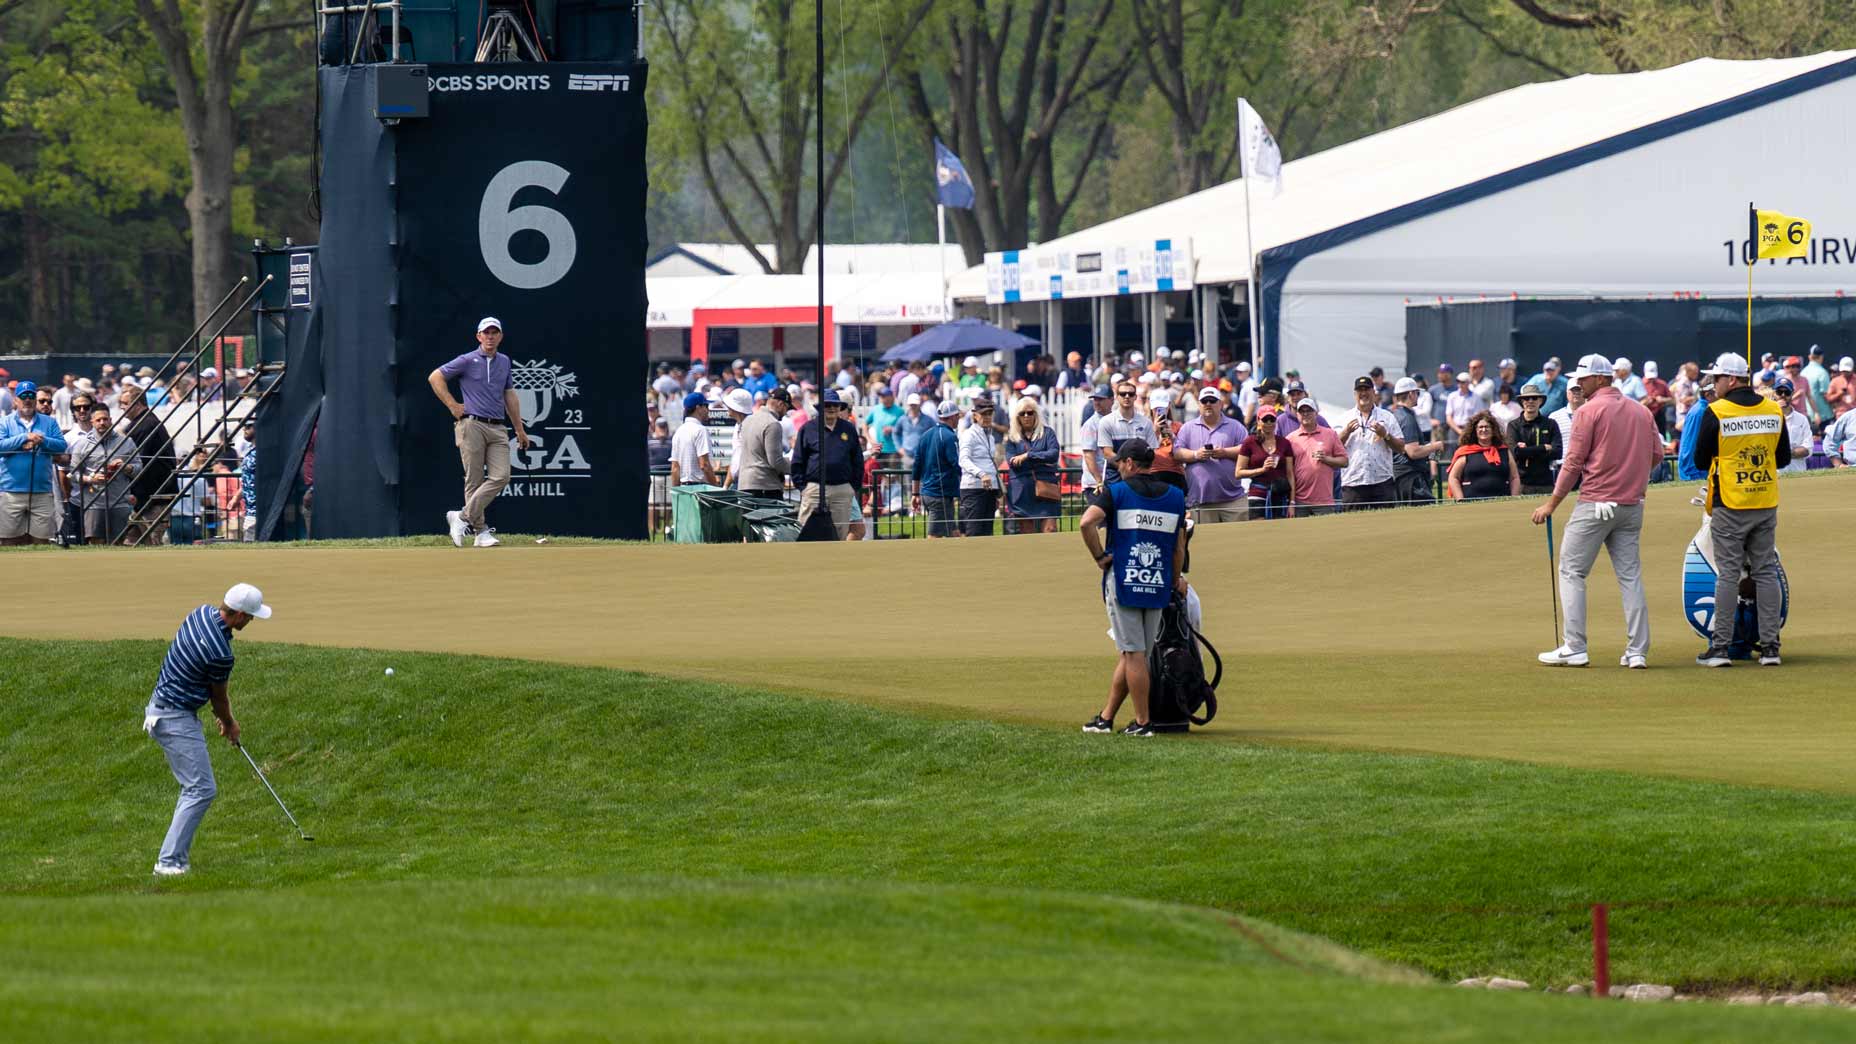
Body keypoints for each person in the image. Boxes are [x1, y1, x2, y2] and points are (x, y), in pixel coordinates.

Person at [1531, 353, 1664, 669]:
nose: (1579, 384)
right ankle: (1637, 652)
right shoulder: (1641, 411)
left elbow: (1574, 463)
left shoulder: (1587, 412)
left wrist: (1551, 504)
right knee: (1630, 576)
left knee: (1572, 570)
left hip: (1595, 503)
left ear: (1602, 378)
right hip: (1632, 505)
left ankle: (1575, 647)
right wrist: (1631, 476)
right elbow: (1656, 455)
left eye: (1584, 379)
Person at [144, 583, 272, 875]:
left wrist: (216, 710)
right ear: (239, 615)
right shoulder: (220, 653)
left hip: (164, 706)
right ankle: (169, 862)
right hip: (173, 718)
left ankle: (173, 858)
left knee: (196, 788)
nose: (251, 621)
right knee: (201, 789)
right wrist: (229, 723)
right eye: (250, 617)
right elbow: (219, 697)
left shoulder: (199, 613)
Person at [1078, 439, 1188, 738]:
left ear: (1129, 463)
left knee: (1133, 653)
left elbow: (1086, 523)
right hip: (1157, 582)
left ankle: (1143, 722)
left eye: (1120, 464)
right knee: (1133, 654)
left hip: (1125, 581)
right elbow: (1179, 547)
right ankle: (1106, 717)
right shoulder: (1176, 496)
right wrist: (1173, 579)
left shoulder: (1117, 492)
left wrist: (1100, 557)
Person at [1691, 352, 1794, 667]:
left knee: (1728, 575)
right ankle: (1771, 649)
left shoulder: (1717, 411)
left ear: (1731, 380)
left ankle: (1721, 648)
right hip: (1764, 500)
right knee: (1765, 572)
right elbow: (1784, 457)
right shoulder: (1773, 409)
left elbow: (1699, 460)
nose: (1713, 384)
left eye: (1717, 378)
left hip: (1730, 503)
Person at [428, 317, 530, 549]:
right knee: (473, 480)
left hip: (498, 427)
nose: (490, 336)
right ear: (479, 336)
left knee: (501, 476)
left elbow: (509, 395)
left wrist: (520, 429)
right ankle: (481, 532)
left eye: (495, 333)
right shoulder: (467, 360)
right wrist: (453, 405)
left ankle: (461, 517)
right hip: (471, 425)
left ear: (500, 336)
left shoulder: (504, 362)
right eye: (486, 333)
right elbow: (435, 377)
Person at [791, 388, 866, 540]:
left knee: (839, 534)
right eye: (827, 405)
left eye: (835, 405)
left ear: (840, 408)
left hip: (842, 489)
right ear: (820, 407)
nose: (831, 408)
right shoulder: (808, 429)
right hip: (814, 489)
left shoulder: (848, 429)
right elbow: (798, 460)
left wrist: (852, 487)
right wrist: (803, 487)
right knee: (806, 532)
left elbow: (857, 460)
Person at [0, 381, 68, 545]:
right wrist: (24, 437)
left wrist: (41, 439)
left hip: (41, 492)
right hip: (10, 491)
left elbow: (61, 445)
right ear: (16, 400)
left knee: (41, 541)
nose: (27, 400)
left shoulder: (49, 422)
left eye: (31, 396)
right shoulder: (4, 422)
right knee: (10, 541)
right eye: (23, 396)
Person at [1170, 386, 1248, 523]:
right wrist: (1196, 454)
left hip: (1233, 499)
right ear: (1199, 404)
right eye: (1204, 401)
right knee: (1205, 543)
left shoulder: (1235, 426)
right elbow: (1177, 452)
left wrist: (1225, 452)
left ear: (1221, 404)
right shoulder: (1187, 427)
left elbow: (1247, 450)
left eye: (1212, 400)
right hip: (1201, 500)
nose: (1208, 404)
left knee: (1238, 542)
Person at [68, 403, 140, 544]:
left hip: (120, 502)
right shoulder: (82, 444)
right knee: (96, 543)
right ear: (92, 422)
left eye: (105, 419)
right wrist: (90, 479)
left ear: (111, 420)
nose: (102, 423)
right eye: (99, 420)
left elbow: (139, 468)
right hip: (94, 503)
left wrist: (127, 467)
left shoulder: (126, 442)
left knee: (119, 543)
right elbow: (73, 475)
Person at [1338, 376, 1405, 510]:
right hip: (1353, 481)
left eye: (1367, 389)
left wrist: (1385, 435)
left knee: (1385, 526)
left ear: (1374, 392)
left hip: (1382, 481)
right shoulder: (1344, 418)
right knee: (1353, 527)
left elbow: (1401, 447)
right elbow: (1334, 446)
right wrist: (1346, 432)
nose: (1363, 393)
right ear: (1355, 394)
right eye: (1359, 390)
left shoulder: (1387, 416)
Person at [1002, 397, 1062, 534]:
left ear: (1036, 414)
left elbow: (1053, 454)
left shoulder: (1048, 433)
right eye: (1022, 413)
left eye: (1030, 413)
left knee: (1050, 530)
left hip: (1046, 489)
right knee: (1027, 534)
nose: (1026, 416)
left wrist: (1028, 456)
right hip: (1022, 491)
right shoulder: (1012, 438)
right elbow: (1012, 461)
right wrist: (1041, 457)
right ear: (1017, 417)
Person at [1233, 407, 1298, 519]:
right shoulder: (1250, 442)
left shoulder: (1284, 443)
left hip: (1280, 491)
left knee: (1281, 530)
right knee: (1258, 529)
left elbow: (1290, 474)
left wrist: (1292, 502)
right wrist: (1261, 470)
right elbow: (1238, 473)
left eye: (1272, 419)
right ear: (1258, 420)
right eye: (1265, 419)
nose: (1269, 423)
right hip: (1257, 491)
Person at [1284, 399, 1346, 517]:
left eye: (1309, 411)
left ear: (1316, 413)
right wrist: (1291, 502)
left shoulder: (1330, 434)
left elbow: (1344, 461)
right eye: (1302, 411)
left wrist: (1327, 459)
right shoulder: (1290, 439)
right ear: (1297, 415)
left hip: (1324, 501)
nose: (1305, 414)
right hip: (1300, 501)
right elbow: (1288, 472)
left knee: (1326, 534)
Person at [911, 399, 964, 537]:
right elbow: (956, 464)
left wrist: (915, 494)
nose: (958, 419)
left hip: (928, 493)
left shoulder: (925, 435)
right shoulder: (950, 436)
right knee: (934, 537)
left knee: (954, 533)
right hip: (939, 495)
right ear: (952, 417)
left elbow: (916, 466)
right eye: (957, 416)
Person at [1388, 377, 1444, 504]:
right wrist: (1436, 446)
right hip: (1411, 477)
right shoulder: (1407, 418)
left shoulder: (1395, 414)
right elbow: (1413, 452)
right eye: (1417, 393)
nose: (1418, 396)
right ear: (1411, 394)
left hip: (1400, 475)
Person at [733, 387, 791, 500]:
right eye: (786, 408)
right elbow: (775, 461)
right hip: (765, 487)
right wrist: (795, 467)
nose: (785, 413)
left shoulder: (748, 420)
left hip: (744, 485)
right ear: (780, 404)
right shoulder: (773, 424)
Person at [1447, 412, 1520, 501]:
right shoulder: (1465, 452)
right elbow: (1453, 477)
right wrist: (1460, 500)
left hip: (1502, 503)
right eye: (1480, 427)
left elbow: (1514, 477)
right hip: (1472, 504)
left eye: (1487, 426)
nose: (1484, 429)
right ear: (1475, 431)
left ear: (1493, 430)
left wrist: (1514, 499)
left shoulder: (1504, 451)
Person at [957, 394, 1000, 537]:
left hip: (989, 489)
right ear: (975, 416)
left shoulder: (991, 437)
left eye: (989, 413)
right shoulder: (968, 435)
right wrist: (981, 473)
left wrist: (996, 488)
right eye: (983, 414)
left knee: (987, 532)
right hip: (973, 488)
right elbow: (963, 460)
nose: (987, 417)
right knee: (974, 532)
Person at [1507, 383, 1559, 494]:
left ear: (1540, 401)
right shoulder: (1513, 425)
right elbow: (1515, 453)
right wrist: (1543, 447)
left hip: (1546, 484)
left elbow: (1557, 452)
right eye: (1526, 398)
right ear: (1522, 401)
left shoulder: (1550, 424)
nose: (1530, 401)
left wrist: (1526, 451)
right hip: (1521, 483)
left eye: (1534, 398)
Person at [668, 391, 718, 490]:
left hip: (684, 489)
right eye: (706, 406)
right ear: (698, 408)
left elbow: (675, 468)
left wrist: (676, 493)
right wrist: (716, 488)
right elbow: (704, 465)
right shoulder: (700, 430)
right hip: (700, 489)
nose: (708, 410)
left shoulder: (679, 432)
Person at [1097, 379, 1157, 458]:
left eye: (1131, 394)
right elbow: (1107, 453)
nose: (1127, 396)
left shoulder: (1146, 422)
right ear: (1117, 397)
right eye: (1123, 394)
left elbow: (1152, 450)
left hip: (1139, 469)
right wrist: (1127, 467)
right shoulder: (1106, 421)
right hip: (1114, 469)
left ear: (1135, 397)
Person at [1078, 385, 1114, 494]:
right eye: (1095, 399)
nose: (1097, 402)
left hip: (1111, 482)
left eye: (1101, 399)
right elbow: (1089, 455)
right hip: (1095, 485)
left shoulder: (1115, 420)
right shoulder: (1091, 425)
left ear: (1111, 400)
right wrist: (1099, 482)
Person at [1774, 378, 1813, 474]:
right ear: (1774, 394)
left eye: (1787, 392)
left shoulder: (1802, 419)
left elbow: (1808, 449)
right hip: (1774, 474)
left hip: (1797, 474)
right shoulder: (1766, 417)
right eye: (1779, 392)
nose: (1783, 395)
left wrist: (1785, 453)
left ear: (1792, 394)